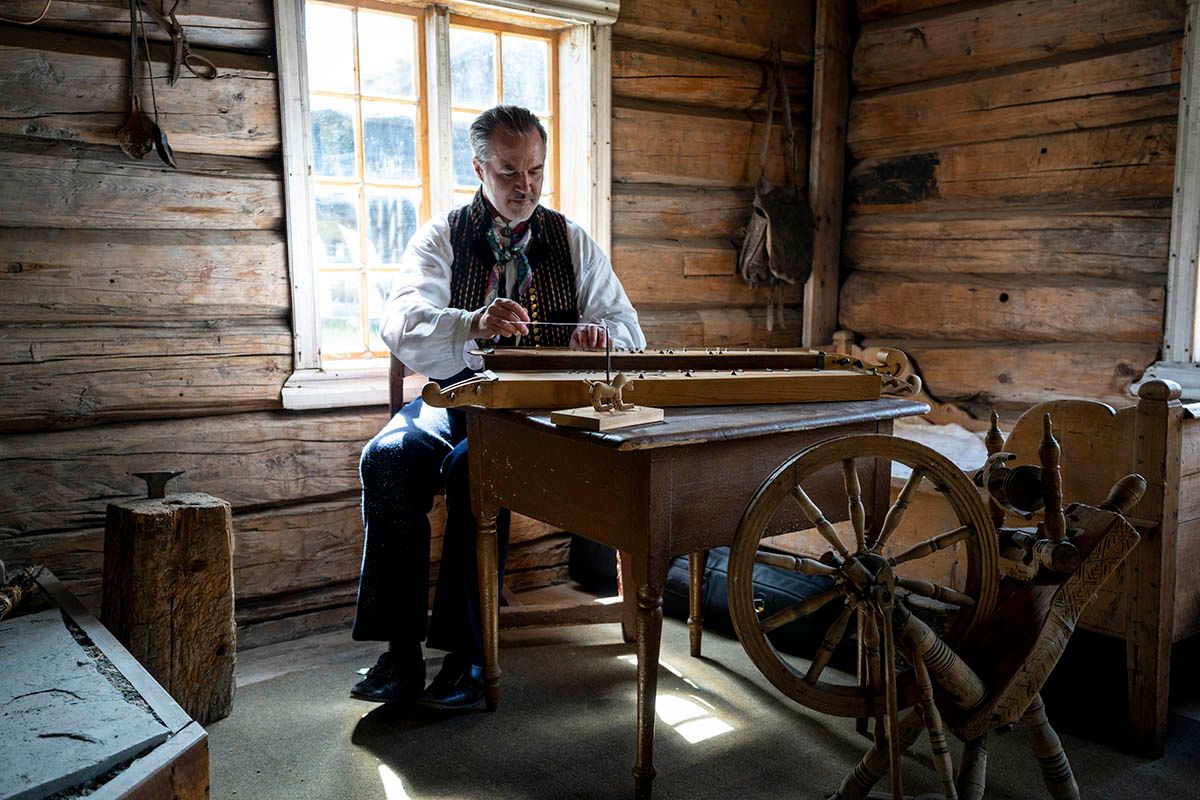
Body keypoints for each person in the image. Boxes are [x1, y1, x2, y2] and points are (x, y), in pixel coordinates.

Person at [350, 105, 645, 709]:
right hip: (456, 396)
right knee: (387, 458)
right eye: (509, 171)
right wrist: (473, 323)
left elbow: (629, 332)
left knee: (473, 471)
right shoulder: (443, 236)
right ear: (479, 167)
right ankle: (400, 654)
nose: (525, 186)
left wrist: (598, 340)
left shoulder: (571, 241)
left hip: (535, 413)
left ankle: (469, 658)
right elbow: (400, 321)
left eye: (535, 170)